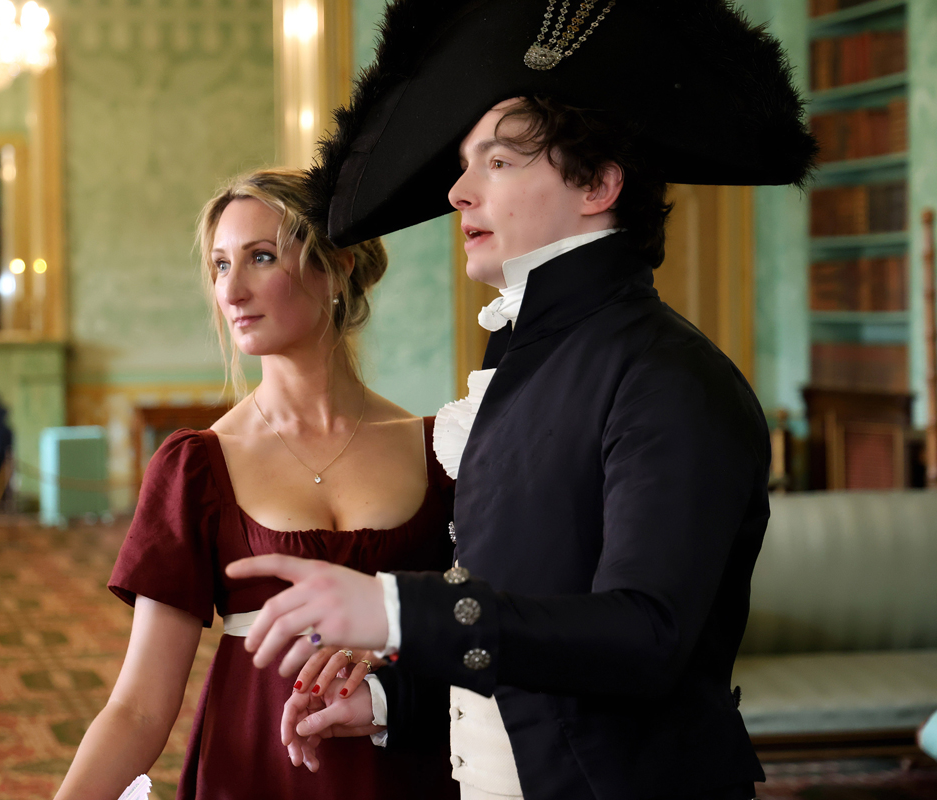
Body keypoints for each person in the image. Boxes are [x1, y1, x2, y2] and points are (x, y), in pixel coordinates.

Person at [224, 2, 818, 799]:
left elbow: (646, 637)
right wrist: (387, 698)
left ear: (600, 184)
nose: (460, 190)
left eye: (499, 162)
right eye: (466, 163)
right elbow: (533, 629)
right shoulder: (527, 365)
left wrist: (397, 610)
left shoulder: (670, 378)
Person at [54, 168, 459, 800]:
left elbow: (485, 636)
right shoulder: (198, 466)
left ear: (339, 265)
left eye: (260, 257)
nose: (232, 290)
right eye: (219, 266)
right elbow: (138, 708)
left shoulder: (439, 449)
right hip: (256, 769)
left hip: (406, 762)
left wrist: (399, 658)